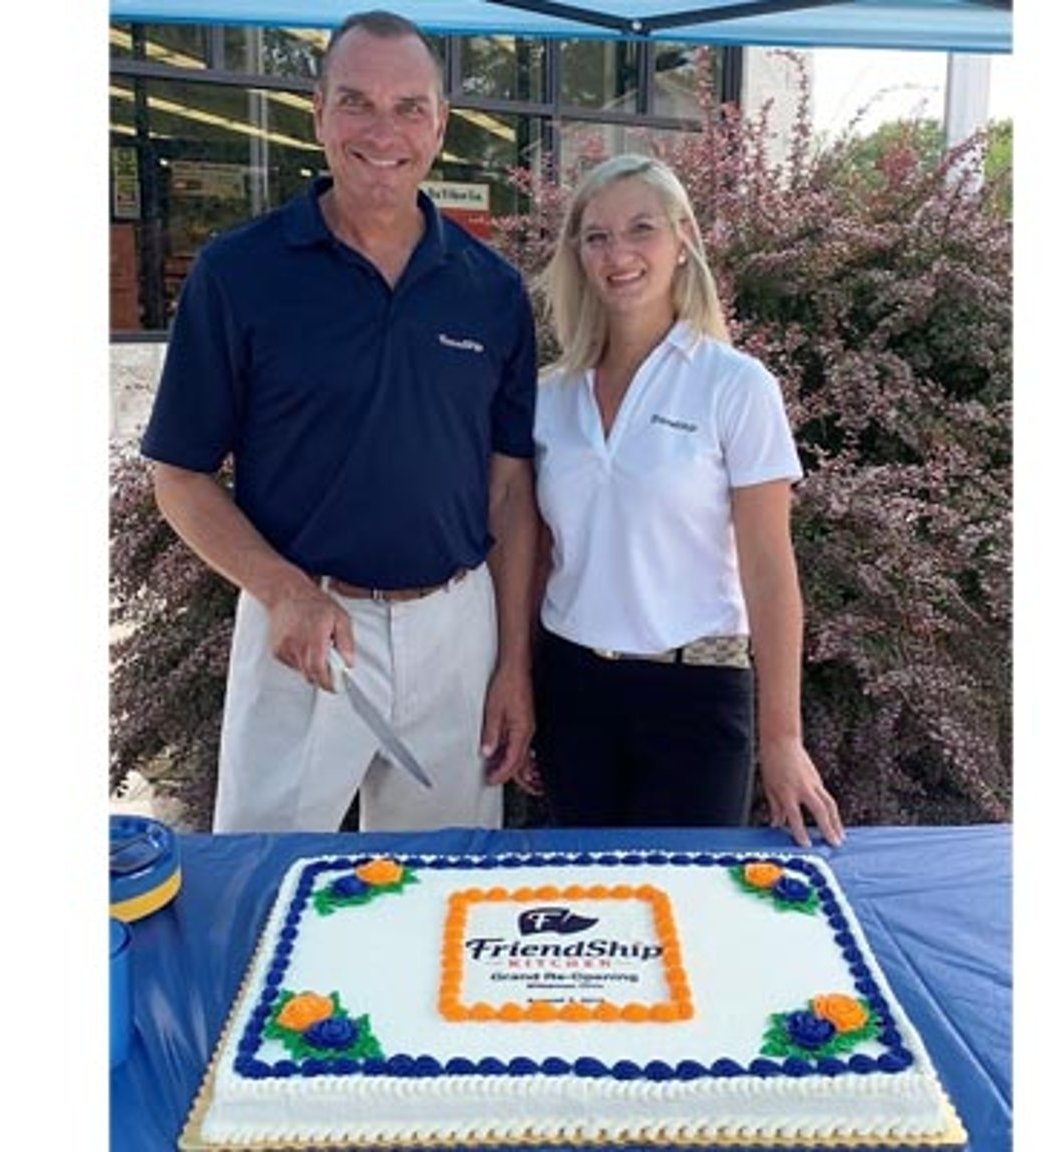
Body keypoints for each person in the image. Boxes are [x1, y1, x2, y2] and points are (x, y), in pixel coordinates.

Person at [139, 10, 539, 834]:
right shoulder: (238, 274)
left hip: (456, 634)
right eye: (356, 102)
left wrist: (513, 666)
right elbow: (178, 474)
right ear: (318, 112)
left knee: (442, 896)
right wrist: (281, 592)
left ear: (441, 126)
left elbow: (508, 494)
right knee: (264, 879)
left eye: (410, 107)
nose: (383, 131)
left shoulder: (491, 290)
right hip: (303, 628)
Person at [530, 154, 844, 848]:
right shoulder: (548, 396)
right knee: (587, 915)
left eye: (641, 229)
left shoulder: (734, 386)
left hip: (695, 697)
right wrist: (518, 686)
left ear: (683, 243)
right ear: (577, 255)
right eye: (597, 236)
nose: (618, 254)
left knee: (684, 924)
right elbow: (538, 554)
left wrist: (783, 740)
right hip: (572, 692)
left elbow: (769, 571)